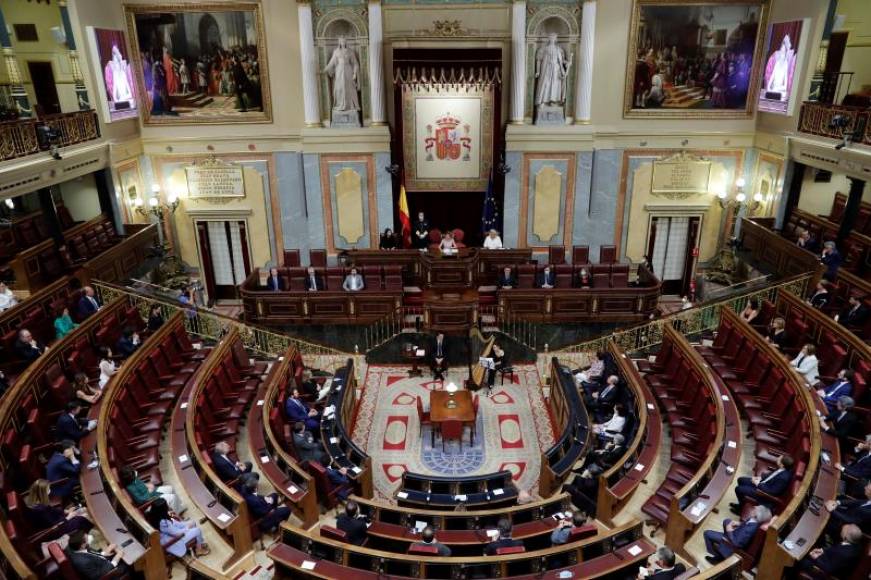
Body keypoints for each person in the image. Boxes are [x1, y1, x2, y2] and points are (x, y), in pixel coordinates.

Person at [24, 479, 92, 540]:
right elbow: (54, 525)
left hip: (60, 521)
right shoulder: (40, 509)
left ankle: (89, 532)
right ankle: (86, 538)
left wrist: (66, 511)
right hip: (55, 530)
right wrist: (69, 517)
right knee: (83, 517)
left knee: (83, 510)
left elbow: (52, 510)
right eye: (48, 490)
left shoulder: (38, 501)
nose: (49, 491)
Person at [703, 505, 771, 564]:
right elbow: (745, 525)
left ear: (757, 516)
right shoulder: (753, 520)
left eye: (754, 510)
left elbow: (736, 543)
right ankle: (722, 545)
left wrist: (729, 530)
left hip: (733, 542)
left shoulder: (750, 529)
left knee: (707, 533)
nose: (753, 509)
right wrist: (739, 524)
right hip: (737, 533)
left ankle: (716, 555)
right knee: (727, 521)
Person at [729, 454, 794, 512]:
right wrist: (760, 478)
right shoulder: (783, 468)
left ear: (782, 465)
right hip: (763, 483)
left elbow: (772, 492)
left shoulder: (783, 478)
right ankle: (742, 504)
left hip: (763, 493)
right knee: (741, 480)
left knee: (738, 489)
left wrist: (757, 484)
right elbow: (772, 475)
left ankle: (740, 509)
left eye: (779, 459)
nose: (777, 458)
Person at [797, 523, 862, 578]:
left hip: (824, 571)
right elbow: (835, 549)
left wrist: (816, 558)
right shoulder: (854, 543)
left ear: (845, 537)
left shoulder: (844, 553)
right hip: (829, 558)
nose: (844, 527)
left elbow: (828, 568)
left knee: (800, 560)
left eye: (845, 529)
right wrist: (822, 550)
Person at [119, 465, 185, 515]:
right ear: (129, 476)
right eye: (133, 472)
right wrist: (149, 491)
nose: (135, 472)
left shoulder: (134, 479)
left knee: (170, 488)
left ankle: (179, 507)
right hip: (150, 501)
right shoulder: (130, 488)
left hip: (152, 492)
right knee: (172, 497)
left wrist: (147, 485)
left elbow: (141, 484)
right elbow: (141, 500)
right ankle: (176, 516)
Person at [66, 530, 131, 579]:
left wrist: (106, 551)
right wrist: (117, 558)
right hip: (109, 573)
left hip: (101, 562)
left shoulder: (72, 546)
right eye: (87, 539)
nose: (89, 537)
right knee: (129, 562)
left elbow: (91, 554)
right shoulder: (84, 562)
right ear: (82, 545)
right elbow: (100, 575)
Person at [323, 36, 360, 112]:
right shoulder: (336, 51)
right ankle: (340, 104)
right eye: (342, 41)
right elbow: (331, 63)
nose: (343, 42)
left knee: (350, 88)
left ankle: (350, 105)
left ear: (346, 42)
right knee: (339, 88)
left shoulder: (350, 51)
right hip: (339, 71)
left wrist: (355, 74)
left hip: (348, 70)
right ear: (339, 42)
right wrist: (325, 69)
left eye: (344, 40)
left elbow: (355, 63)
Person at [534, 33, 568, 107]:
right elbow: (539, 60)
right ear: (549, 38)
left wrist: (567, 63)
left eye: (554, 37)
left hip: (556, 69)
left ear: (556, 39)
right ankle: (542, 100)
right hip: (546, 69)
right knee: (545, 84)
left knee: (555, 84)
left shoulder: (559, 49)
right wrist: (538, 71)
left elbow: (562, 61)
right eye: (551, 37)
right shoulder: (543, 49)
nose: (552, 39)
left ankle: (553, 100)